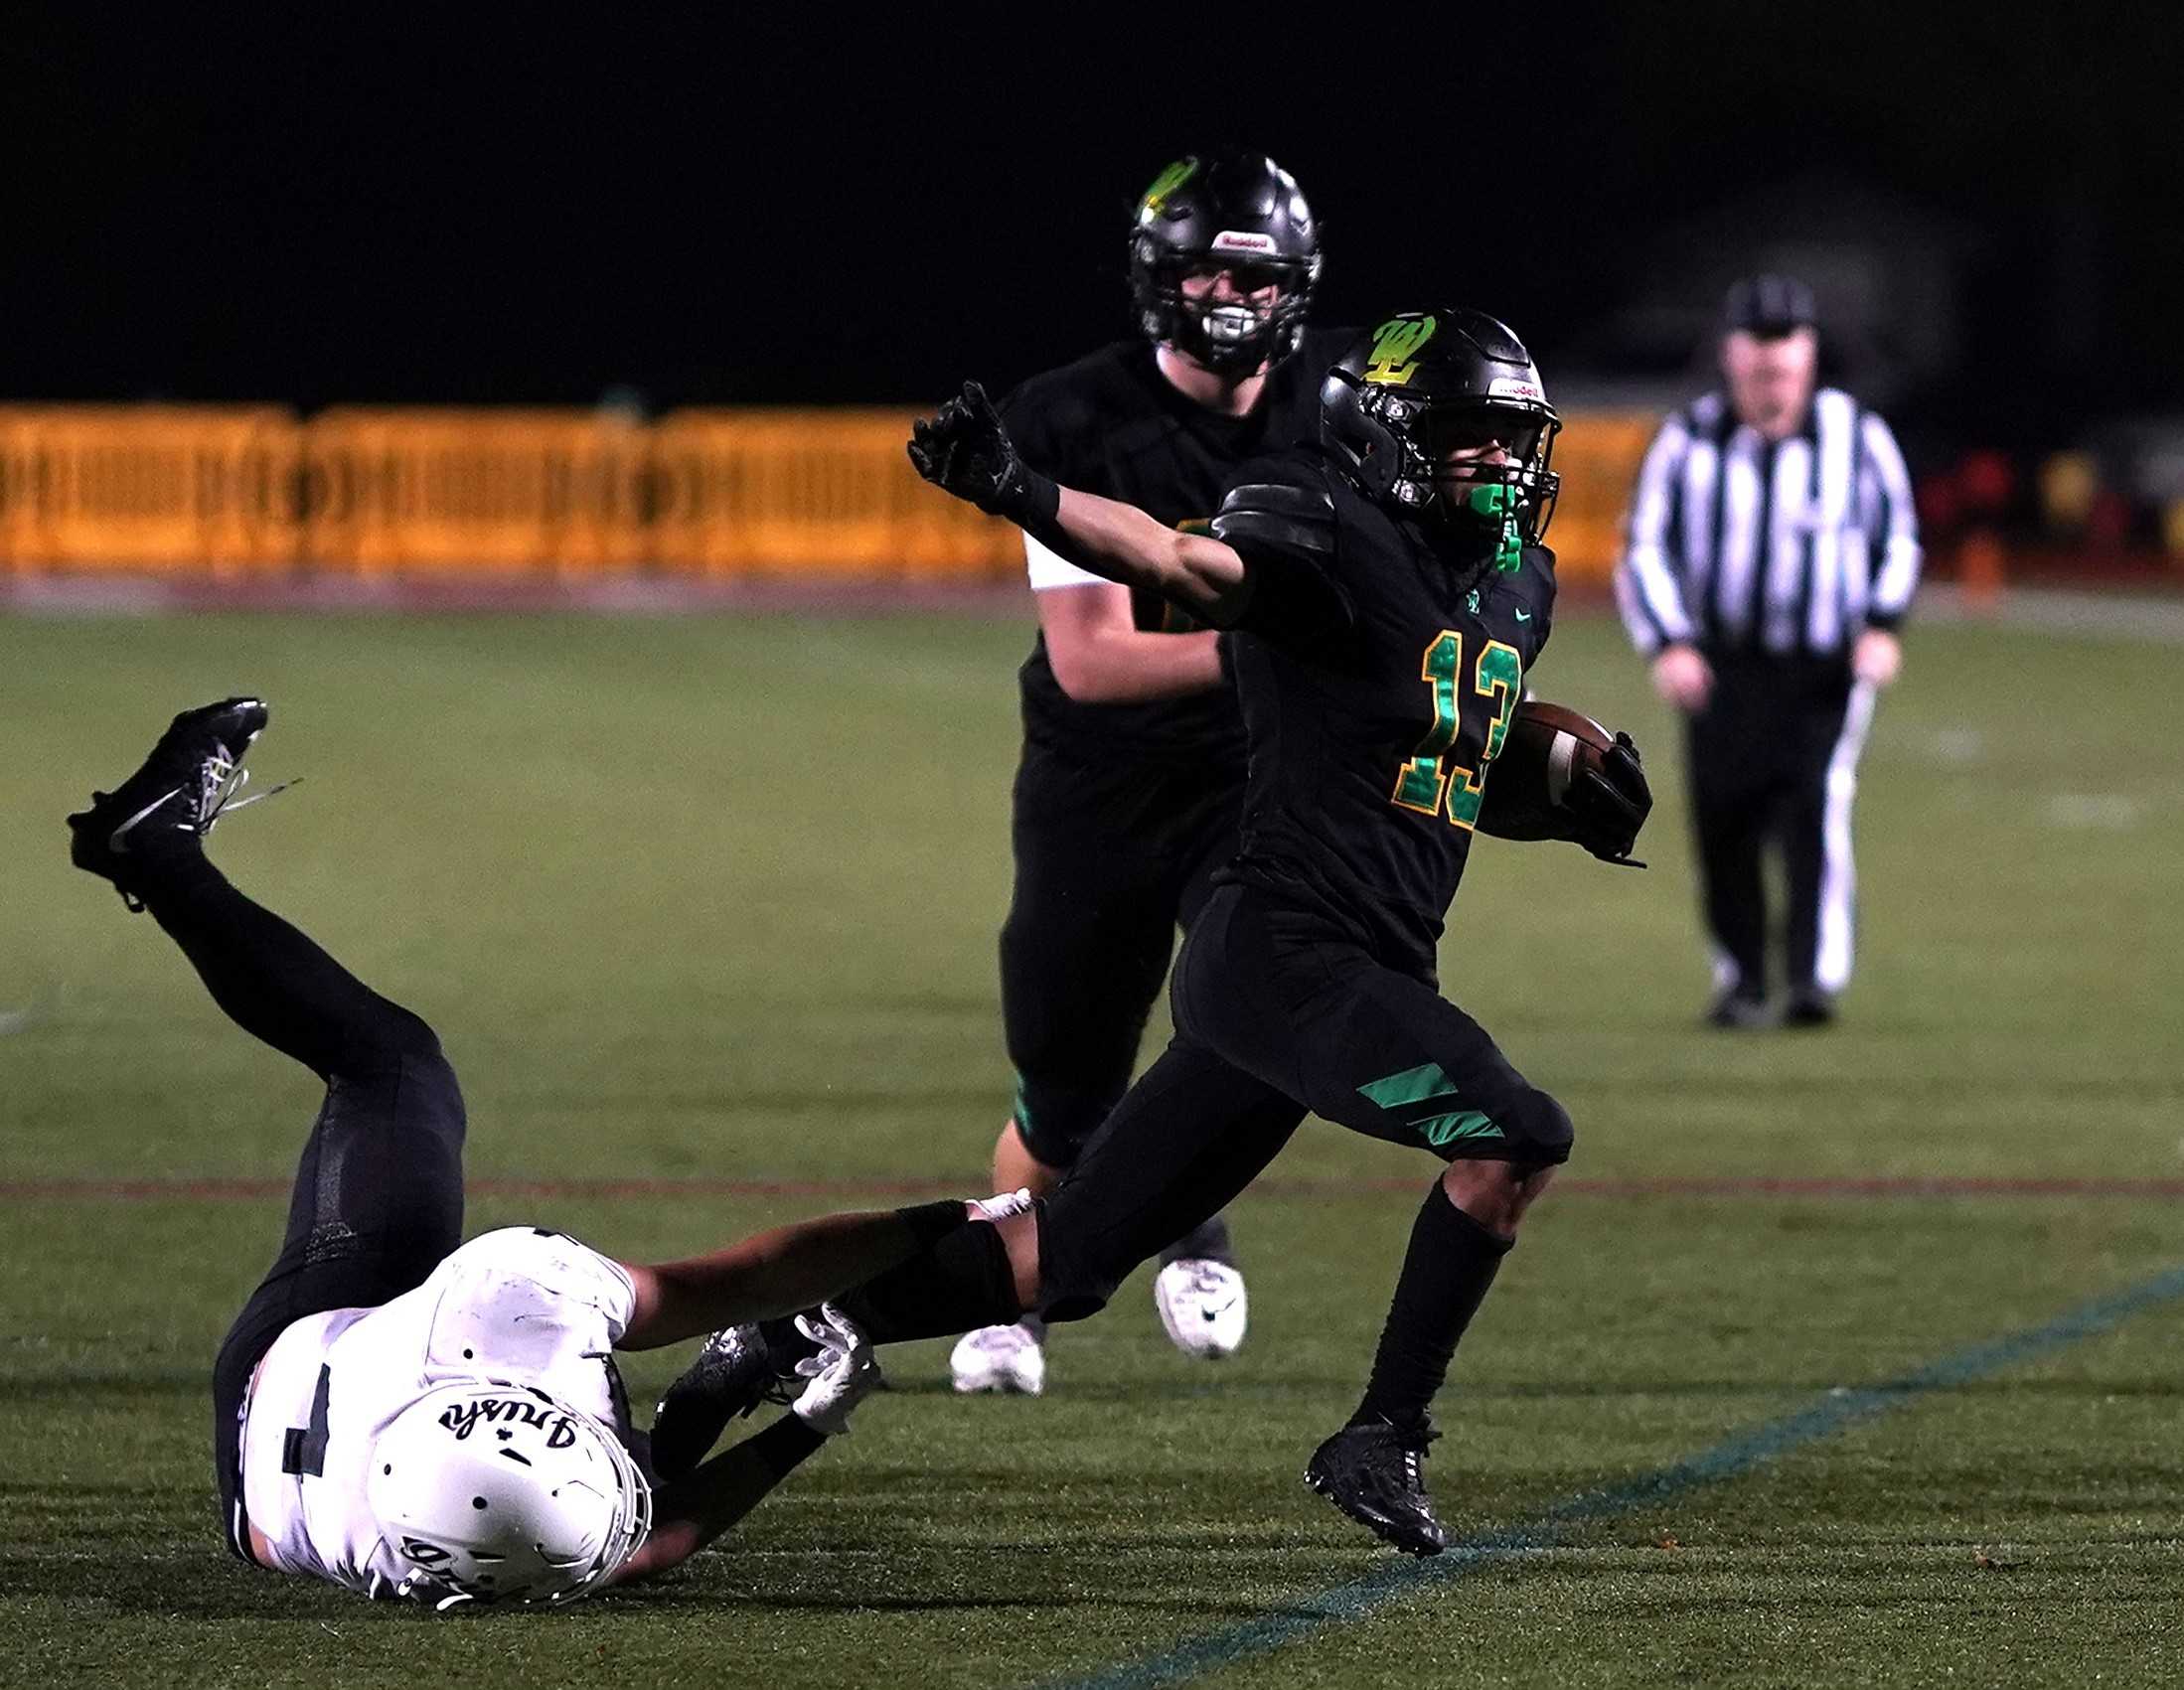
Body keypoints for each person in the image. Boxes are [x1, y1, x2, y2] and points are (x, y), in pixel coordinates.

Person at [655, 309, 1652, 1556]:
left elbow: (1432, 755)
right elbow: (1181, 565)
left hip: (1355, 958)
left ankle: (785, 1330)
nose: (1501, 461)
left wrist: (1560, 801)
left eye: (1512, 437)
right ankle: (1381, 1432)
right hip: (1286, 948)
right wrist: (1020, 491)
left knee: (1058, 1263)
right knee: (1514, 1133)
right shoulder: (1325, 523)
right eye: (1469, 435)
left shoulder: (1516, 580)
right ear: (1389, 433)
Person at [65, 698, 1016, 1609]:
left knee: (394, 1066)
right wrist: (805, 1423)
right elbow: (641, 1535)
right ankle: (155, 854)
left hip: (295, 1358)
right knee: (400, 1081)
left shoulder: (502, 1308)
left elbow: (726, 1314)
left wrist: (935, 1226)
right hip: (348, 1452)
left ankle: (159, 854)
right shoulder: (483, 1470)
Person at [949, 148, 1344, 1397]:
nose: (1232, 298)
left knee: (1244, 1019)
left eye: (1255, 276)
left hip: (1255, 782)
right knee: (1064, 1091)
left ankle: (1191, 1226)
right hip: (1100, 787)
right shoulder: (1073, 418)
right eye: (1209, 271)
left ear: (1294, 285)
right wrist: (1281, 652)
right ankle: (1011, 1299)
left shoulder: (1338, 415)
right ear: (1159, 276)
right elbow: (1093, 663)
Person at [1614, 272, 1922, 1028]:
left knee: (1814, 807)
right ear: (1730, 353)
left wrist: (1882, 624)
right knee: (1725, 817)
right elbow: (1643, 546)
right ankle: (1744, 977)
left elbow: (1899, 537)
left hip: (1823, 666)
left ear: (1808, 352)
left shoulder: (1856, 436)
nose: (1771, 361)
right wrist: (1668, 642)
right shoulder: (1687, 439)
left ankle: (1811, 979)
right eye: (1757, 344)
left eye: (1784, 343)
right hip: (1721, 663)